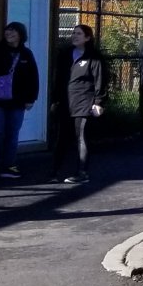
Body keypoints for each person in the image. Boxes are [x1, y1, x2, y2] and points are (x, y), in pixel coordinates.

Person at [0, 22, 39, 182]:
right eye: (7, 30)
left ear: (20, 34)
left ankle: (9, 165)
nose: (9, 33)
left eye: (13, 31)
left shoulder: (26, 54)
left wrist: (31, 98)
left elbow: (33, 77)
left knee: (12, 133)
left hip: (17, 102)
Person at [50, 23, 106, 184]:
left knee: (81, 137)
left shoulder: (94, 57)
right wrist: (55, 100)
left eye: (79, 34)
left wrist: (98, 102)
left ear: (87, 38)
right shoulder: (65, 54)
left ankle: (82, 172)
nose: (75, 36)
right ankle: (54, 172)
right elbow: (58, 79)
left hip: (84, 102)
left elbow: (99, 81)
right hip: (66, 102)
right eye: (73, 33)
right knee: (61, 138)